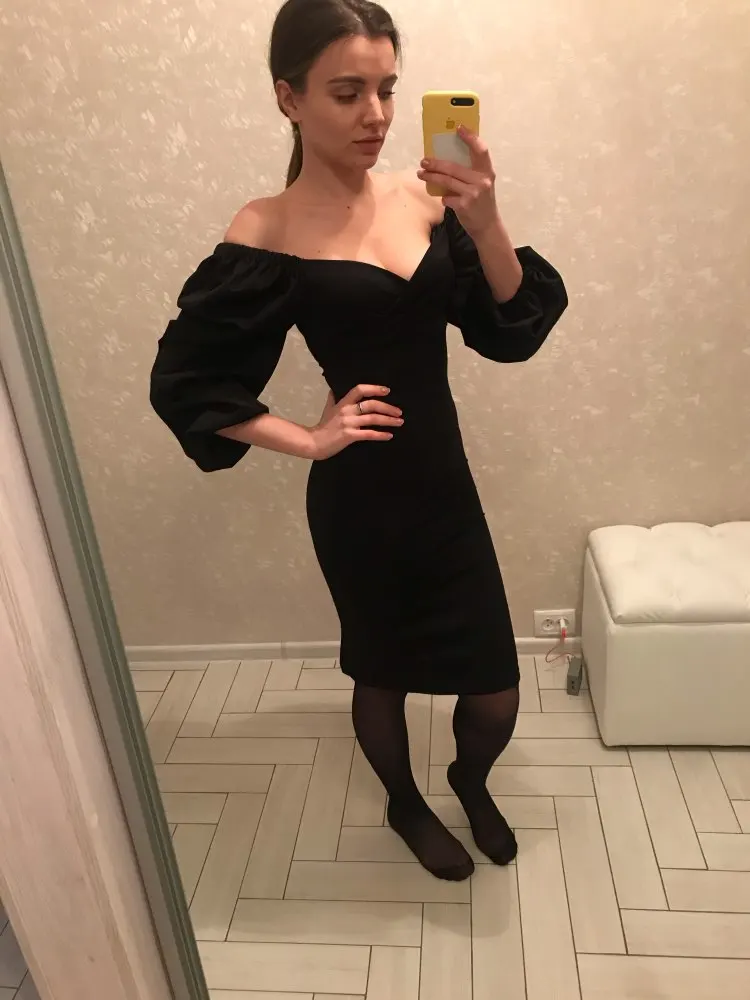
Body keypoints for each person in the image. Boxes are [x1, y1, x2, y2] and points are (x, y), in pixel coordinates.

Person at [150, 0, 568, 881]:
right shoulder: (264, 228)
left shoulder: (425, 196)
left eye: (387, 89)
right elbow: (187, 379)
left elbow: (511, 328)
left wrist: (487, 220)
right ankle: (405, 801)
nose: (375, 115)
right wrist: (308, 440)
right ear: (289, 98)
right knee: (381, 673)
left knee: (494, 690)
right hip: (360, 503)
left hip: (444, 486)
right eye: (347, 93)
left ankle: (467, 778)